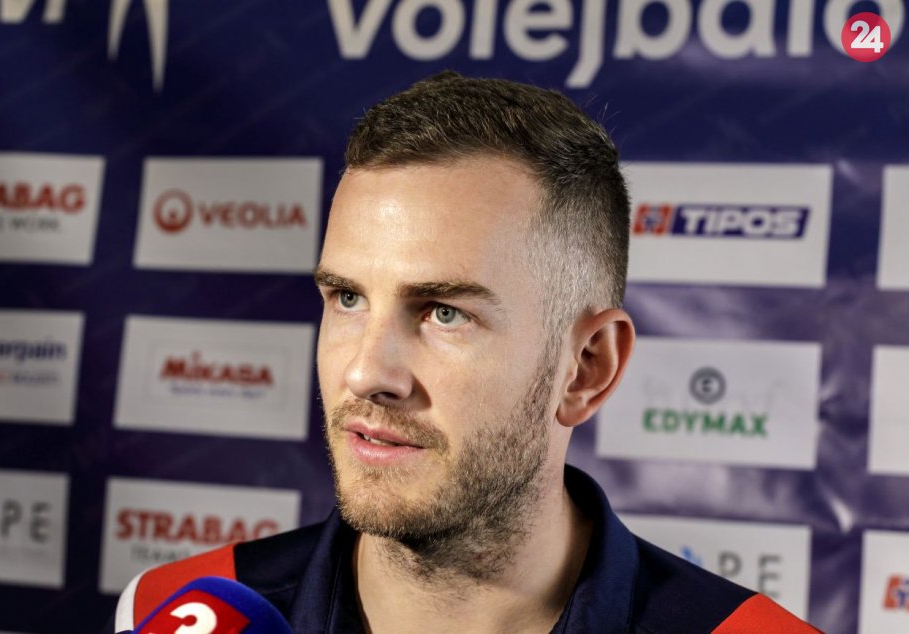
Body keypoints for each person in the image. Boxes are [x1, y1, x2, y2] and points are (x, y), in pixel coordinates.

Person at [113, 71, 820, 633]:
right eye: (347, 298)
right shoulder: (176, 609)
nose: (366, 372)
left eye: (444, 313)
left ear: (587, 368)